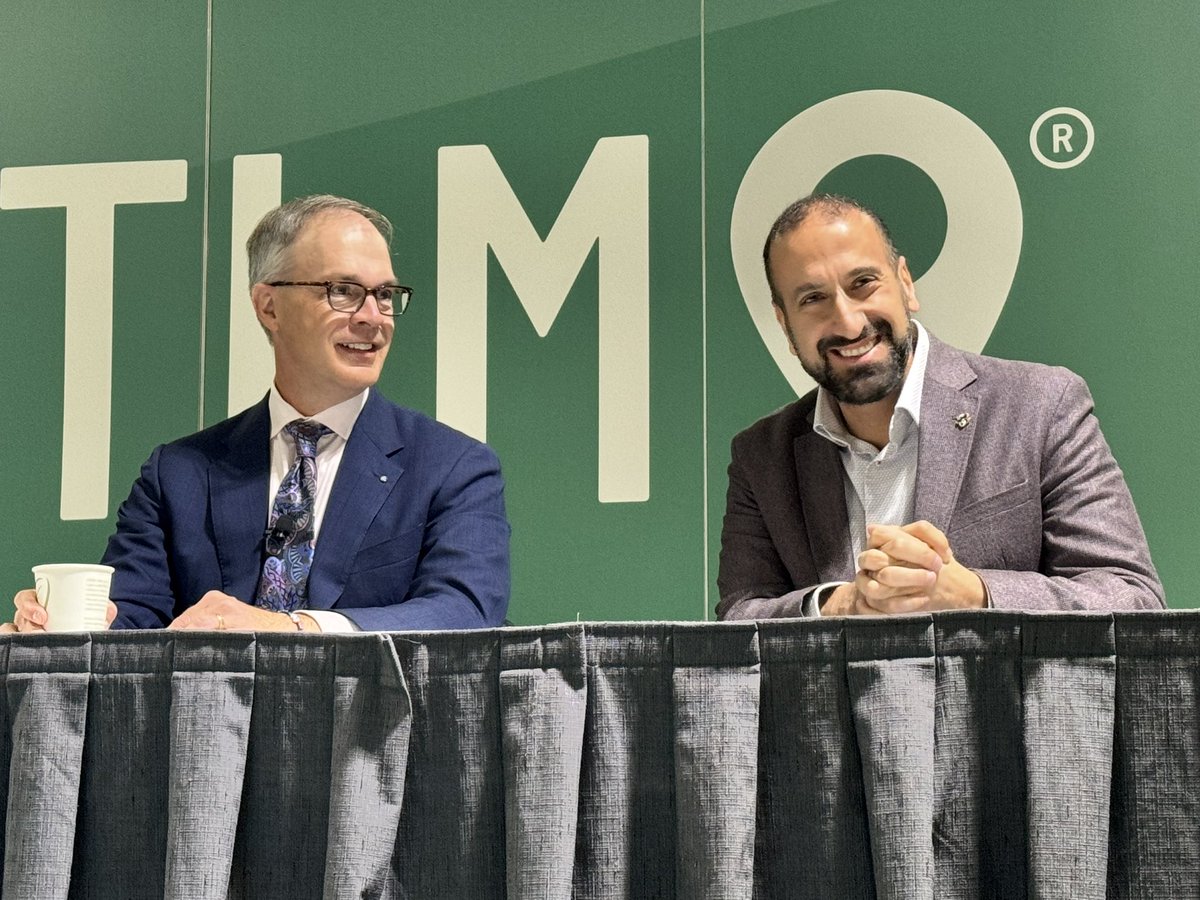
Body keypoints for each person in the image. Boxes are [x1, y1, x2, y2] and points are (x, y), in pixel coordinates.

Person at [6, 195, 510, 633]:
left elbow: (466, 609)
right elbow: (132, 620)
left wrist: (293, 628)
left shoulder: (452, 467)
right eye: (344, 291)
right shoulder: (179, 473)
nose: (372, 317)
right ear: (269, 307)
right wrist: (66, 625)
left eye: (384, 294)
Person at [717, 193, 1163, 618]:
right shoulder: (761, 456)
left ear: (905, 284)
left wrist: (975, 594)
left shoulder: (1043, 405)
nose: (849, 322)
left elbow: (1131, 598)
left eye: (863, 284)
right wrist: (841, 605)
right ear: (784, 322)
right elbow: (740, 617)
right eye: (812, 299)